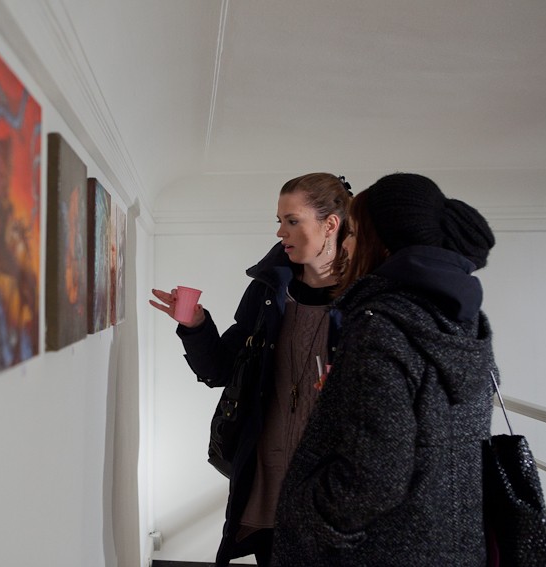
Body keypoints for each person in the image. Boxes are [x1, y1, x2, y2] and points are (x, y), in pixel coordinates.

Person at [272, 173, 497, 566]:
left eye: (353, 233)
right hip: (452, 540)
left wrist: (306, 511)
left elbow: (375, 476)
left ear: (381, 243)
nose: (346, 244)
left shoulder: (381, 326)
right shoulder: (464, 320)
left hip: (383, 548)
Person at [150, 173, 353, 566]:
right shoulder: (269, 291)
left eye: (292, 221)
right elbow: (220, 371)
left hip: (334, 489)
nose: (280, 232)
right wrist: (195, 326)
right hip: (267, 481)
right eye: (279, 221)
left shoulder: (367, 296)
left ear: (330, 224)